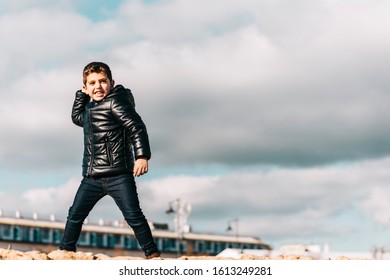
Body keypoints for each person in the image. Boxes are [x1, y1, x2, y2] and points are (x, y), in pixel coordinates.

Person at [59, 62, 161, 259]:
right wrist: (80, 96)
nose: (98, 86)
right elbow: (77, 118)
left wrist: (141, 156)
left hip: (119, 174)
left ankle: (152, 253)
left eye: (102, 81)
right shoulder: (89, 109)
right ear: (86, 87)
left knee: (133, 216)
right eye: (92, 83)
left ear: (112, 83)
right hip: (92, 176)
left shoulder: (116, 103)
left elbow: (136, 127)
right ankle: (65, 252)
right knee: (75, 215)